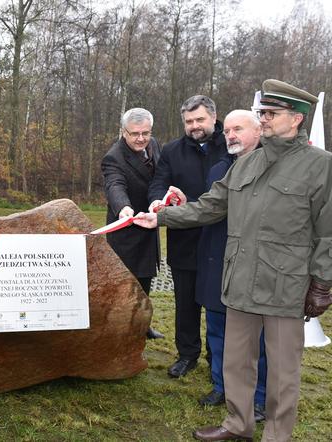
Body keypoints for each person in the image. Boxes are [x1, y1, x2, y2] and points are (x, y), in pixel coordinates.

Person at [134, 79, 332, 441]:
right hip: (238, 282)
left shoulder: (320, 166)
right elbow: (210, 206)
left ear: (297, 119)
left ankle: (276, 435)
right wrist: (161, 218)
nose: (265, 119)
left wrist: (322, 283)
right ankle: (238, 424)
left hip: (283, 286)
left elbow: (328, 231)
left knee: (283, 371)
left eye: (271, 114)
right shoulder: (245, 163)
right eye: (263, 113)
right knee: (236, 362)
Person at [192, 110, 267, 422]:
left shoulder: (273, 168)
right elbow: (205, 208)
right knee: (218, 331)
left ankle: (260, 397)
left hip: (255, 268)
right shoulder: (220, 168)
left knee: (259, 340)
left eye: (239, 129)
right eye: (228, 131)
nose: (231, 135)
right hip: (215, 261)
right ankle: (222, 386)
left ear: (259, 132)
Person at [147, 95, 226, 378]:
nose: (194, 126)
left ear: (214, 118)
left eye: (200, 120)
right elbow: (159, 183)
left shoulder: (231, 146)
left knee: (220, 305)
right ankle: (187, 354)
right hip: (185, 240)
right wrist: (158, 202)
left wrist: (189, 202)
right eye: (189, 121)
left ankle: (217, 356)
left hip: (221, 239)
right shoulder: (172, 150)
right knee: (186, 303)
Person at [101, 107, 163, 339]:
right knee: (127, 283)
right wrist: (124, 209)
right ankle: (122, 330)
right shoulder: (113, 157)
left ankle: (142, 324)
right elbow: (114, 185)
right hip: (126, 232)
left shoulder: (154, 144)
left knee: (146, 281)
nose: (141, 139)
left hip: (150, 225)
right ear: (123, 132)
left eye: (145, 133)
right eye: (135, 133)